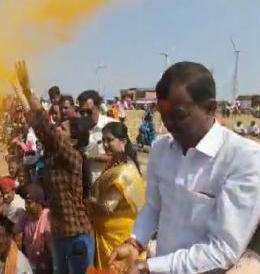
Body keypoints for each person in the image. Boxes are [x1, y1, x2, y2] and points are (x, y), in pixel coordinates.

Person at [109, 62, 260, 274]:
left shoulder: (243, 158)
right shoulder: (161, 148)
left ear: (210, 108)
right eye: (164, 115)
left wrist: (148, 267)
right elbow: (153, 206)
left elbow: (223, 250)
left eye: (179, 116)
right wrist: (135, 243)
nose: (170, 124)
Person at [13, 62, 95, 274]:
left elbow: (46, 128)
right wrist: (20, 91)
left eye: (64, 129)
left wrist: (28, 91)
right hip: (60, 235)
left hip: (77, 236)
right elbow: (37, 123)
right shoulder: (54, 154)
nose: (58, 128)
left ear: (74, 140)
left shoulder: (73, 156)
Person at [89, 122, 145, 270]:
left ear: (123, 142)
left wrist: (87, 202)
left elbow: (107, 207)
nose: (106, 145)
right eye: (104, 140)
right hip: (106, 234)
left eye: (110, 140)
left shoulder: (124, 171)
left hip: (117, 237)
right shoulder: (113, 163)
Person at [77, 90, 118, 187]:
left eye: (89, 111)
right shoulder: (77, 128)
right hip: (87, 189)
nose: (85, 115)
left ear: (98, 108)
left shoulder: (112, 126)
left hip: (109, 186)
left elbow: (122, 157)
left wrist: (94, 156)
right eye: (82, 112)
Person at [17, 184, 52, 274]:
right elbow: (17, 239)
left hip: (45, 267)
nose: (26, 206)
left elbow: (51, 250)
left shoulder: (47, 218)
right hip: (30, 265)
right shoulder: (25, 218)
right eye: (25, 202)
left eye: (29, 202)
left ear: (39, 202)